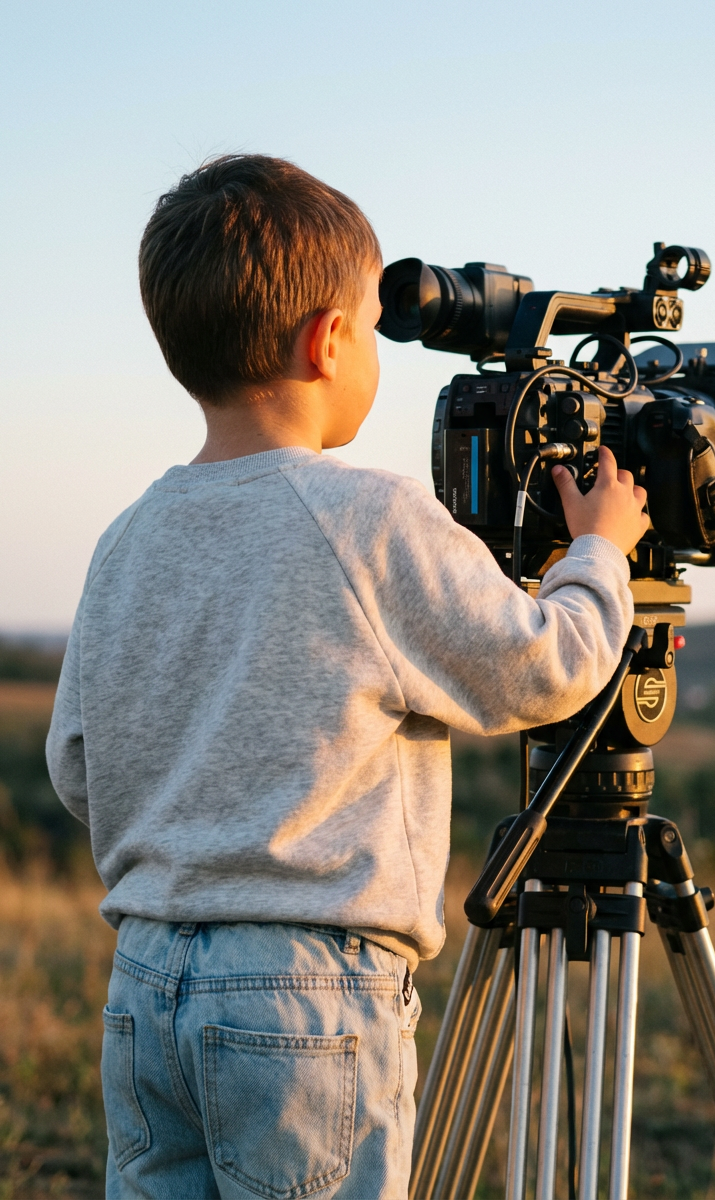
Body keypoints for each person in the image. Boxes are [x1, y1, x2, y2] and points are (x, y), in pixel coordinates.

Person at [46, 154, 648, 1200]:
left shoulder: (124, 540)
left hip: (146, 976)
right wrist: (598, 553)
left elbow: (77, 765)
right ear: (327, 342)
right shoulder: (367, 519)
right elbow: (544, 669)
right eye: (370, 327)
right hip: (305, 994)